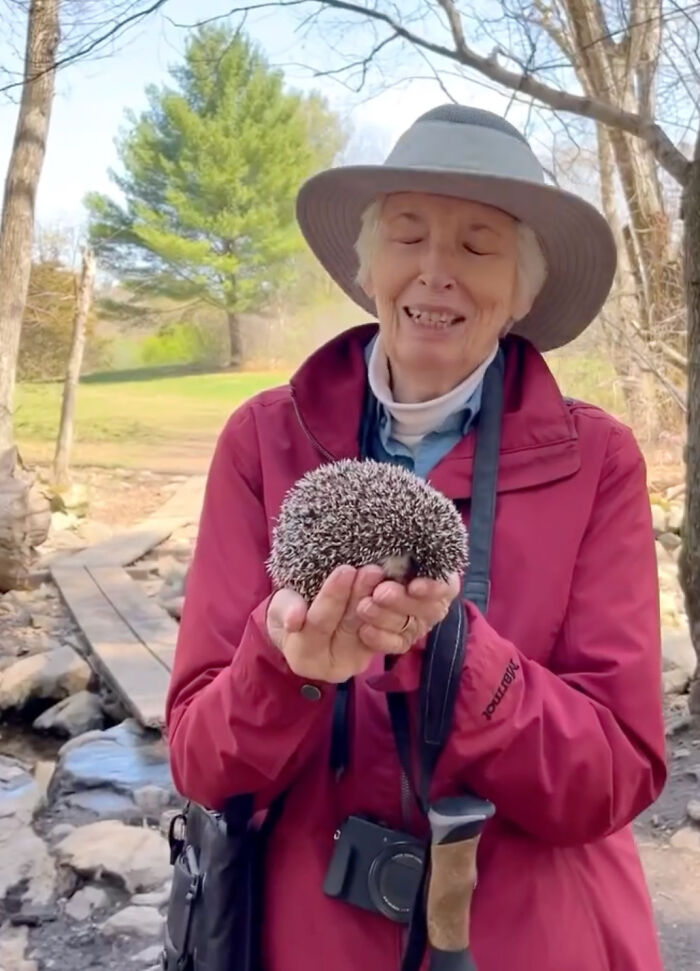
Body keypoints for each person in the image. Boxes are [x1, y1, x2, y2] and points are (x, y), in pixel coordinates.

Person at [166, 105, 666, 971]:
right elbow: (200, 760)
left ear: (523, 291)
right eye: (407, 237)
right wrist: (282, 669)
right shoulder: (262, 440)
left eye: (478, 247)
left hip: (530, 936)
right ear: (366, 268)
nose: (435, 272)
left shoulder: (600, 461)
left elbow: (614, 776)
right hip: (305, 934)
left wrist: (458, 658)